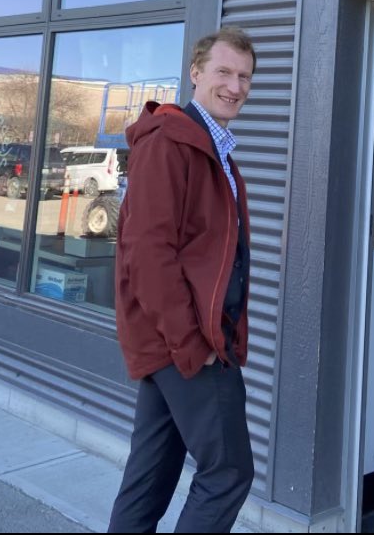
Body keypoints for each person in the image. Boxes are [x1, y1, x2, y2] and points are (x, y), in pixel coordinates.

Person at [107, 27, 257, 533]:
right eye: (223, 72)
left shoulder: (213, 149)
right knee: (230, 471)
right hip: (186, 342)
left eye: (244, 76)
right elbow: (148, 255)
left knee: (151, 474)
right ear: (195, 73)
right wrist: (193, 343)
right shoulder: (169, 144)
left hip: (178, 340)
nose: (235, 86)